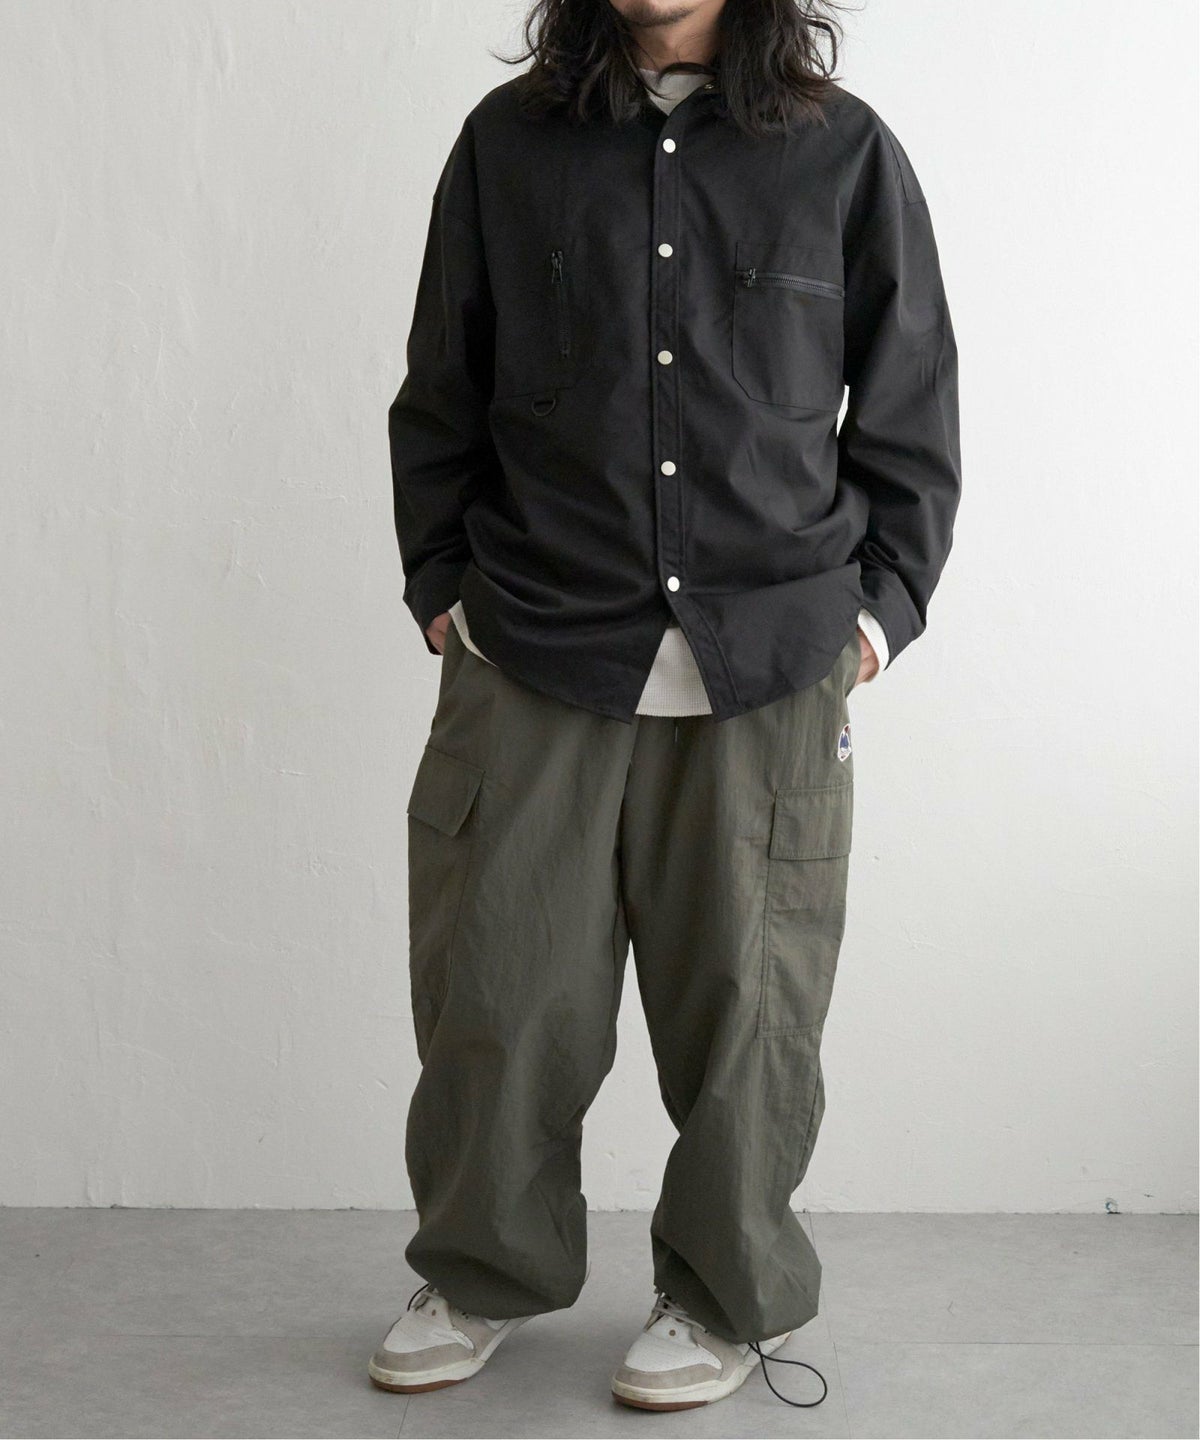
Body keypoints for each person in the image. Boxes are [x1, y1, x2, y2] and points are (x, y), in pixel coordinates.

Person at [370, 0, 961, 1413]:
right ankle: (482, 1270)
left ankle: (723, 1295)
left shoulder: (844, 154)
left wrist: (877, 617)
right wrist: (441, 584)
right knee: (498, 990)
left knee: (752, 1007)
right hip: (536, 638)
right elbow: (442, 387)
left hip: (770, 652)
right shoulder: (507, 147)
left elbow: (911, 402)